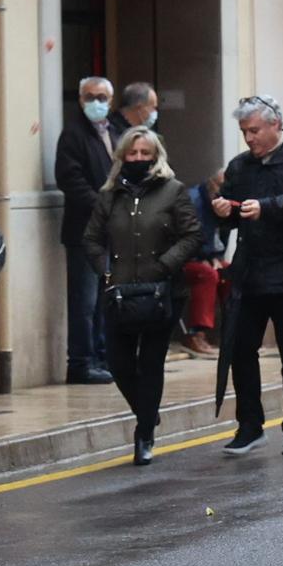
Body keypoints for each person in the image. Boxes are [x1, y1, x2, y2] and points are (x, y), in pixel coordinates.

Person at [215, 95, 283, 458]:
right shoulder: (239, 166)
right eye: (244, 132)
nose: (249, 138)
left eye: (255, 130)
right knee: (241, 350)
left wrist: (266, 207)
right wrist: (224, 209)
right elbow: (232, 211)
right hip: (251, 273)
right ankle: (249, 426)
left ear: (275, 125)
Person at [85, 126, 201, 465]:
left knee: (151, 363)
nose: (138, 159)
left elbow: (192, 235)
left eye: (144, 154)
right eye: (132, 154)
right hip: (119, 292)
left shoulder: (173, 191)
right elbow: (91, 239)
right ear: (122, 157)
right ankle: (148, 412)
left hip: (161, 292)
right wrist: (105, 270)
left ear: (155, 157)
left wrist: (165, 266)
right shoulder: (108, 195)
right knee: (120, 364)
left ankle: (144, 432)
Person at [54, 76, 116, 385]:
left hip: (111, 232)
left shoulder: (114, 132)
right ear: (80, 100)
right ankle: (80, 362)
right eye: (90, 97)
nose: (96, 102)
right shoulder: (73, 135)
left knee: (105, 300)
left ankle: (102, 357)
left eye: (102, 97)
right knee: (84, 302)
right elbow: (71, 180)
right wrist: (102, 207)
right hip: (84, 233)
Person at [178, 170, 225, 360]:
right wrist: (205, 257)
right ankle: (196, 334)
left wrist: (216, 257)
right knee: (207, 275)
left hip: (205, 255)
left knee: (232, 273)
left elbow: (221, 236)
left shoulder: (223, 203)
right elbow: (187, 238)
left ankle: (233, 334)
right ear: (212, 185)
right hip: (182, 260)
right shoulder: (193, 201)